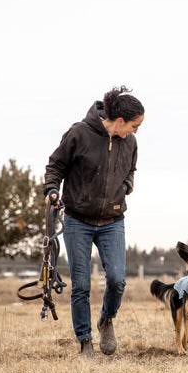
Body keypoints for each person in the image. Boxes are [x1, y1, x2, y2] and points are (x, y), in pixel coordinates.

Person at [43, 86, 144, 359]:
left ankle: (106, 319)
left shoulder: (130, 143)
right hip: (78, 220)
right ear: (120, 121)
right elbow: (55, 165)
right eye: (134, 126)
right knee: (81, 285)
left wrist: (125, 188)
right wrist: (52, 190)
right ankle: (85, 340)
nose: (136, 131)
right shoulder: (79, 134)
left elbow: (130, 171)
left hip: (112, 220)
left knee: (117, 279)